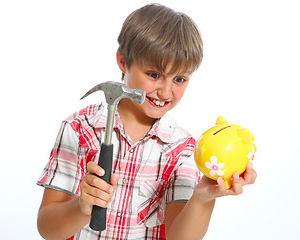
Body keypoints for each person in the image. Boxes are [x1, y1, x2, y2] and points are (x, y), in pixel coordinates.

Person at [37, 3, 257, 240]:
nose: (165, 92)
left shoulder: (182, 149)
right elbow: (48, 229)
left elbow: (179, 237)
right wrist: (82, 206)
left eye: (180, 79)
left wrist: (202, 197)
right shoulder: (80, 129)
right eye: (154, 75)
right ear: (123, 60)